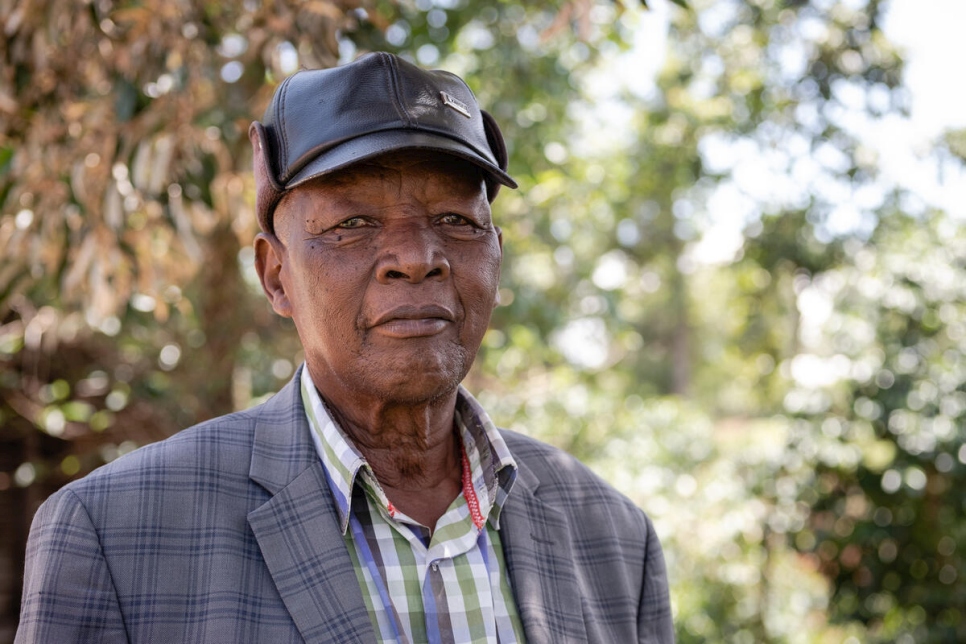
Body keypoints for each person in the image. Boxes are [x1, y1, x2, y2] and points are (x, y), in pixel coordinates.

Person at [16, 52, 673, 643]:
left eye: (455, 221)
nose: (418, 259)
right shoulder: (113, 532)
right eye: (353, 224)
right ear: (277, 277)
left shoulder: (613, 537)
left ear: (496, 255)